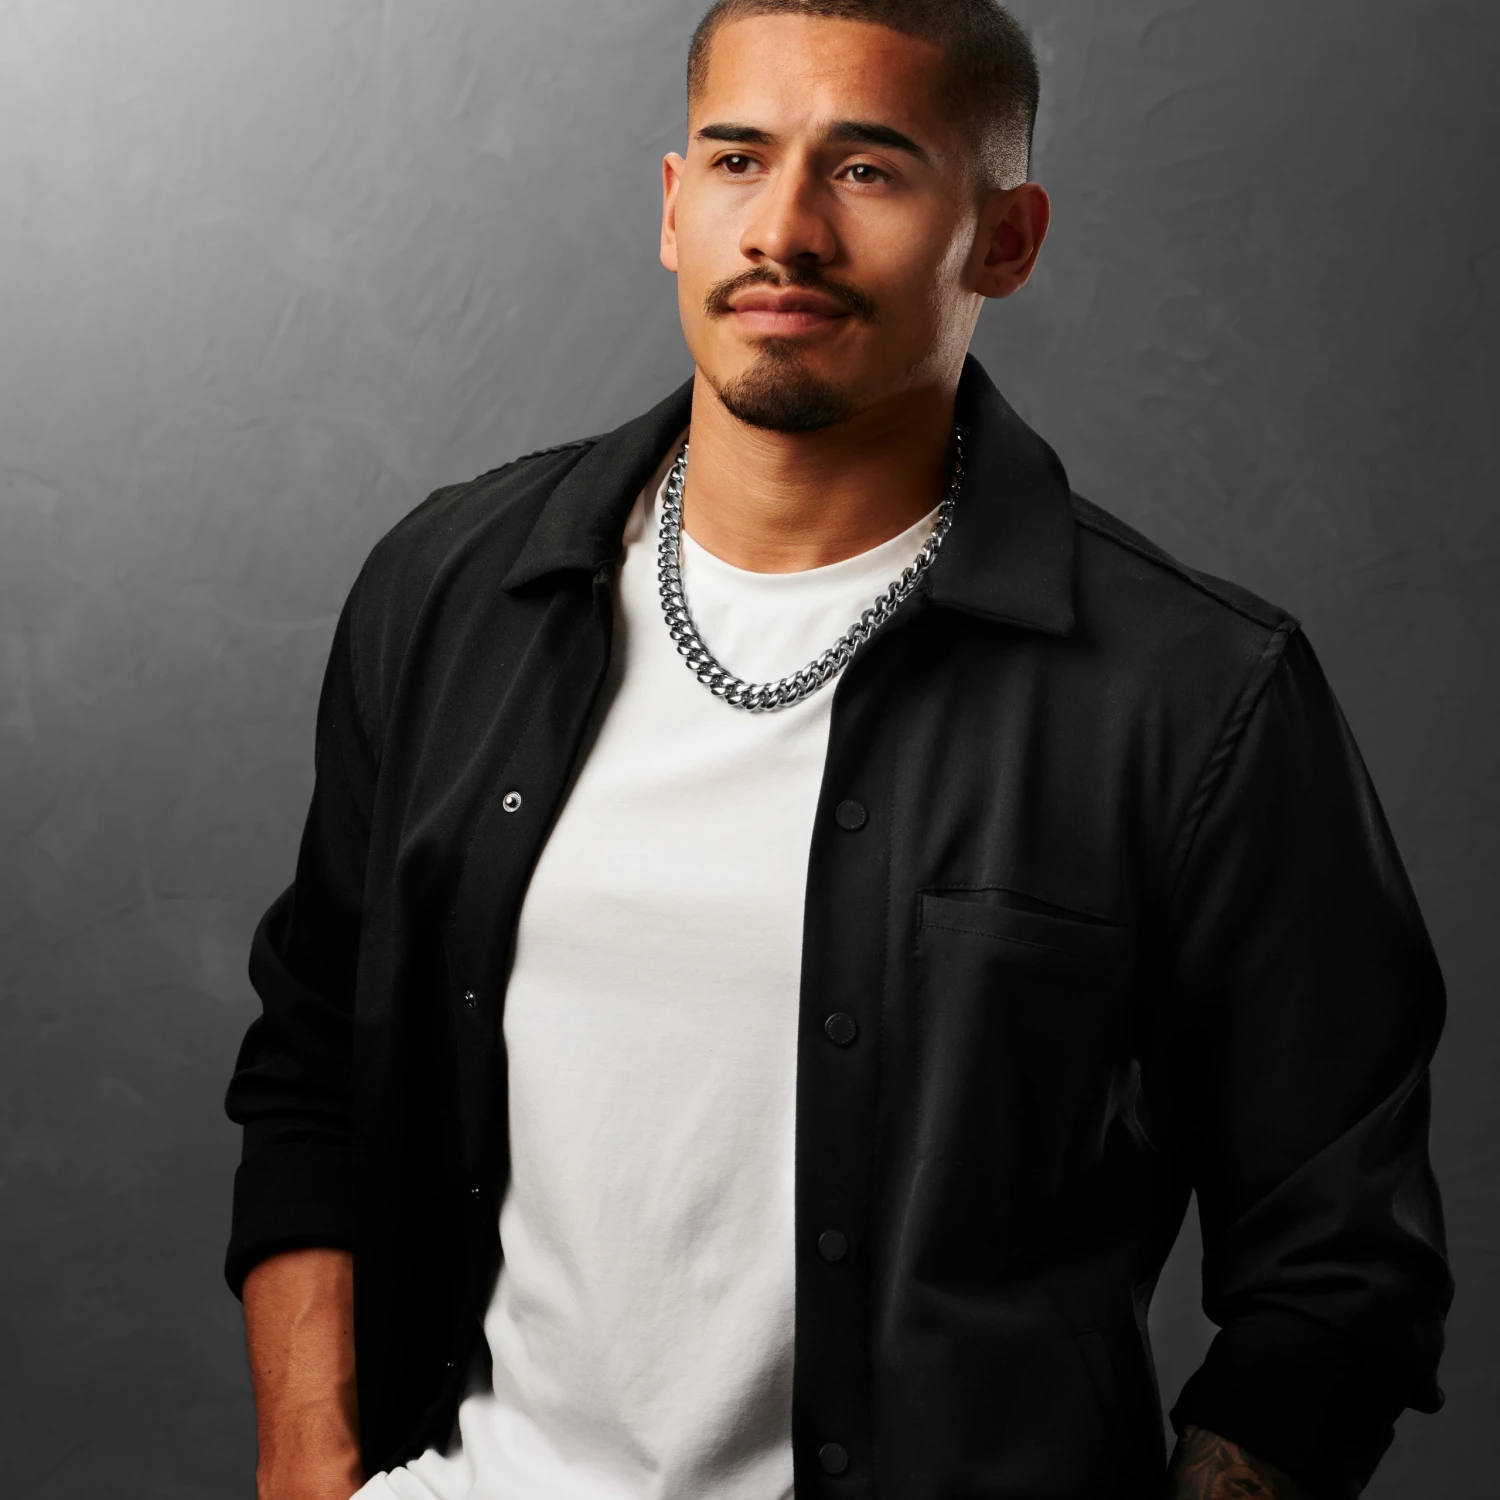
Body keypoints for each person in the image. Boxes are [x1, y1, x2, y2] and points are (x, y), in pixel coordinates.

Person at [223, 3, 1453, 1497]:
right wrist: (313, 1464)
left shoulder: (1196, 696)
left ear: (1005, 239)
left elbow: (1338, 1271)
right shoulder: (451, 592)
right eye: (739, 159)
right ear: (674, 206)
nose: (784, 230)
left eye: (868, 170)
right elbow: (318, 1066)